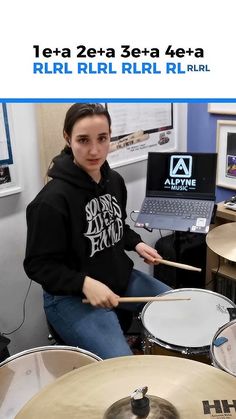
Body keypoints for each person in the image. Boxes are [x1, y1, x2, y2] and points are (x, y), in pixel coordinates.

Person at [24, 103, 170, 359]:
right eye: (83, 140)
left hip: (118, 277)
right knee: (122, 363)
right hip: (69, 297)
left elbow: (115, 226)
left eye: (102, 138)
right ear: (68, 139)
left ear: (110, 136)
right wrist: (84, 283)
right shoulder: (50, 202)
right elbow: (38, 265)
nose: (95, 150)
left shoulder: (114, 181)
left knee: (176, 306)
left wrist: (135, 243)